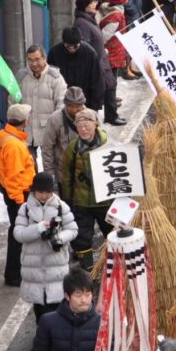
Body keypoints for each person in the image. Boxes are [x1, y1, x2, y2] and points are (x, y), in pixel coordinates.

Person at [13, 173, 77, 322]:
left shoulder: (61, 207)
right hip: (33, 269)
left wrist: (60, 238)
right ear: (33, 191)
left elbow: (73, 230)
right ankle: (43, 340)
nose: (44, 196)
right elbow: (18, 234)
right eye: (40, 192)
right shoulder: (25, 209)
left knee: (58, 311)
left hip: (56, 267)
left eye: (48, 192)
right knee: (40, 313)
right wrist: (38, 229)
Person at [61, 109, 111, 270]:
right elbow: (67, 176)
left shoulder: (109, 144)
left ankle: (115, 268)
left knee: (113, 234)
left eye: (86, 125)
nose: (83, 129)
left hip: (106, 200)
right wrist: (68, 200)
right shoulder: (72, 148)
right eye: (79, 125)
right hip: (82, 202)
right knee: (82, 238)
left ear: (95, 124)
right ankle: (88, 271)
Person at [0, 104, 36, 288]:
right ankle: (13, 275)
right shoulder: (14, 145)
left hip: (10, 192)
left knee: (17, 232)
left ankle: (16, 272)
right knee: (18, 234)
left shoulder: (3, 136)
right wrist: (21, 204)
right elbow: (13, 177)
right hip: (19, 195)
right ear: (24, 121)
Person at [73, 0, 124, 127]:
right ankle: (98, 121)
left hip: (101, 59)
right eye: (92, 2)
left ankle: (111, 115)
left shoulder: (89, 18)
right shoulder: (82, 23)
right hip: (95, 63)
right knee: (99, 91)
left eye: (95, 1)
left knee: (110, 85)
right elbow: (84, 45)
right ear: (84, 4)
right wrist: (96, 55)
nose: (95, 4)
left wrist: (102, 48)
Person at [17, 45, 67, 158]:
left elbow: (61, 105)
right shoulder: (21, 77)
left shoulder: (55, 78)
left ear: (44, 58)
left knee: (50, 167)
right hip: (26, 130)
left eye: (37, 59)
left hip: (49, 131)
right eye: (30, 60)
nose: (34, 63)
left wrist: (57, 129)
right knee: (28, 167)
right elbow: (14, 103)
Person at [48, 28, 104, 112]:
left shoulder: (90, 53)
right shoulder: (54, 52)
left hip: (86, 102)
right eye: (68, 46)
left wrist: (95, 107)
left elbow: (97, 81)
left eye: (75, 46)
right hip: (62, 102)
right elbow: (50, 78)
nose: (72, 49)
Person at [41, 86, 86, 192]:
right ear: (65, 104)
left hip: (86, 173)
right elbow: (47, 147)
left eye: (78, 106)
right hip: (63, 173)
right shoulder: (55, 119)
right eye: (70, 106)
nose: (74, 109)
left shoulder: (92, 117)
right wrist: (50, 174)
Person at [98, 0, 131, 83]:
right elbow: (104, 36)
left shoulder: (111, 11)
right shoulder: (116, 17)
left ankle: (112, 95)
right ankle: (110, 97)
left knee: (112, 77)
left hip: (113, 51)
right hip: (111, 53)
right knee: (111, 78)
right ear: (122, 0)